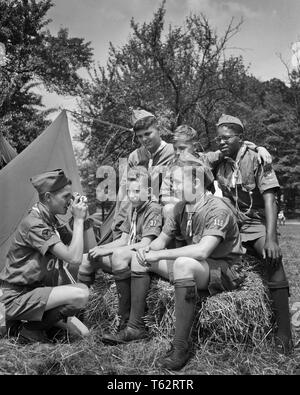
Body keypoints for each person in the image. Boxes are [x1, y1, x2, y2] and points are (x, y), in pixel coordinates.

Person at [101, 153, 245, 371]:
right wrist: (147, 250)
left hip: (223, 269)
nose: (171, 188)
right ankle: (134, 327)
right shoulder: (180, 208)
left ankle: (180, 347)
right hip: (199, 266)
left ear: (195, 182)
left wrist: (159, 255)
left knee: (182, 264)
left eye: (177, 183)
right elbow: (161, 241)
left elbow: (203, 251)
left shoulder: (218, 208)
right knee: (139, 259)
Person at [213, 114, 293, 354]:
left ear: (240, 138)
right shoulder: (220, 161)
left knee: (273, 261)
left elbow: (270, 199)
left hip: (256, 223)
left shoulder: (257, 159)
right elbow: (192, 160)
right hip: (232, 224)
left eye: (226, 138)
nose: (221, 142)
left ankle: (284, 334)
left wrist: (271, 238)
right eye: (218, 139)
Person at [0, 169, 90, 343]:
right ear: (48, 197)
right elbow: (74, 258)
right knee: (81, 294)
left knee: (83, 333)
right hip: (16, 298)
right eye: (66, 197)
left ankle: (27, 327)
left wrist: (79, 218)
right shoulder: (35, 224)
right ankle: (28, 330)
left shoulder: (49, 219)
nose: (70, 201)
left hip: (36, 293)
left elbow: (77, 246)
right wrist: (78, 220)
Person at [77, 167, 163, 331]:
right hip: (125, 256)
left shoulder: (153, 209)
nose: (132, 195)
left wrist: (112, 251)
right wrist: (102, 248)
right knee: (87, 258)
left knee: (118, 255)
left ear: (149, 191)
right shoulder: (132, 208)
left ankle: (124, 317)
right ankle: (79, 313)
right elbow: (123, 239)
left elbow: (146, 244)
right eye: (129, 191)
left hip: (142, 260)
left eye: (137, 191)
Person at [111, 109, 174, 240]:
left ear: (159, 129)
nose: (144, 139)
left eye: (148, 133)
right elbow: (124, 194)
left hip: (163, 218)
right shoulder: (135, 156)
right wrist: (118, 225)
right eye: (139, 136)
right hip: (137, 220)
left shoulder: (172, 152)